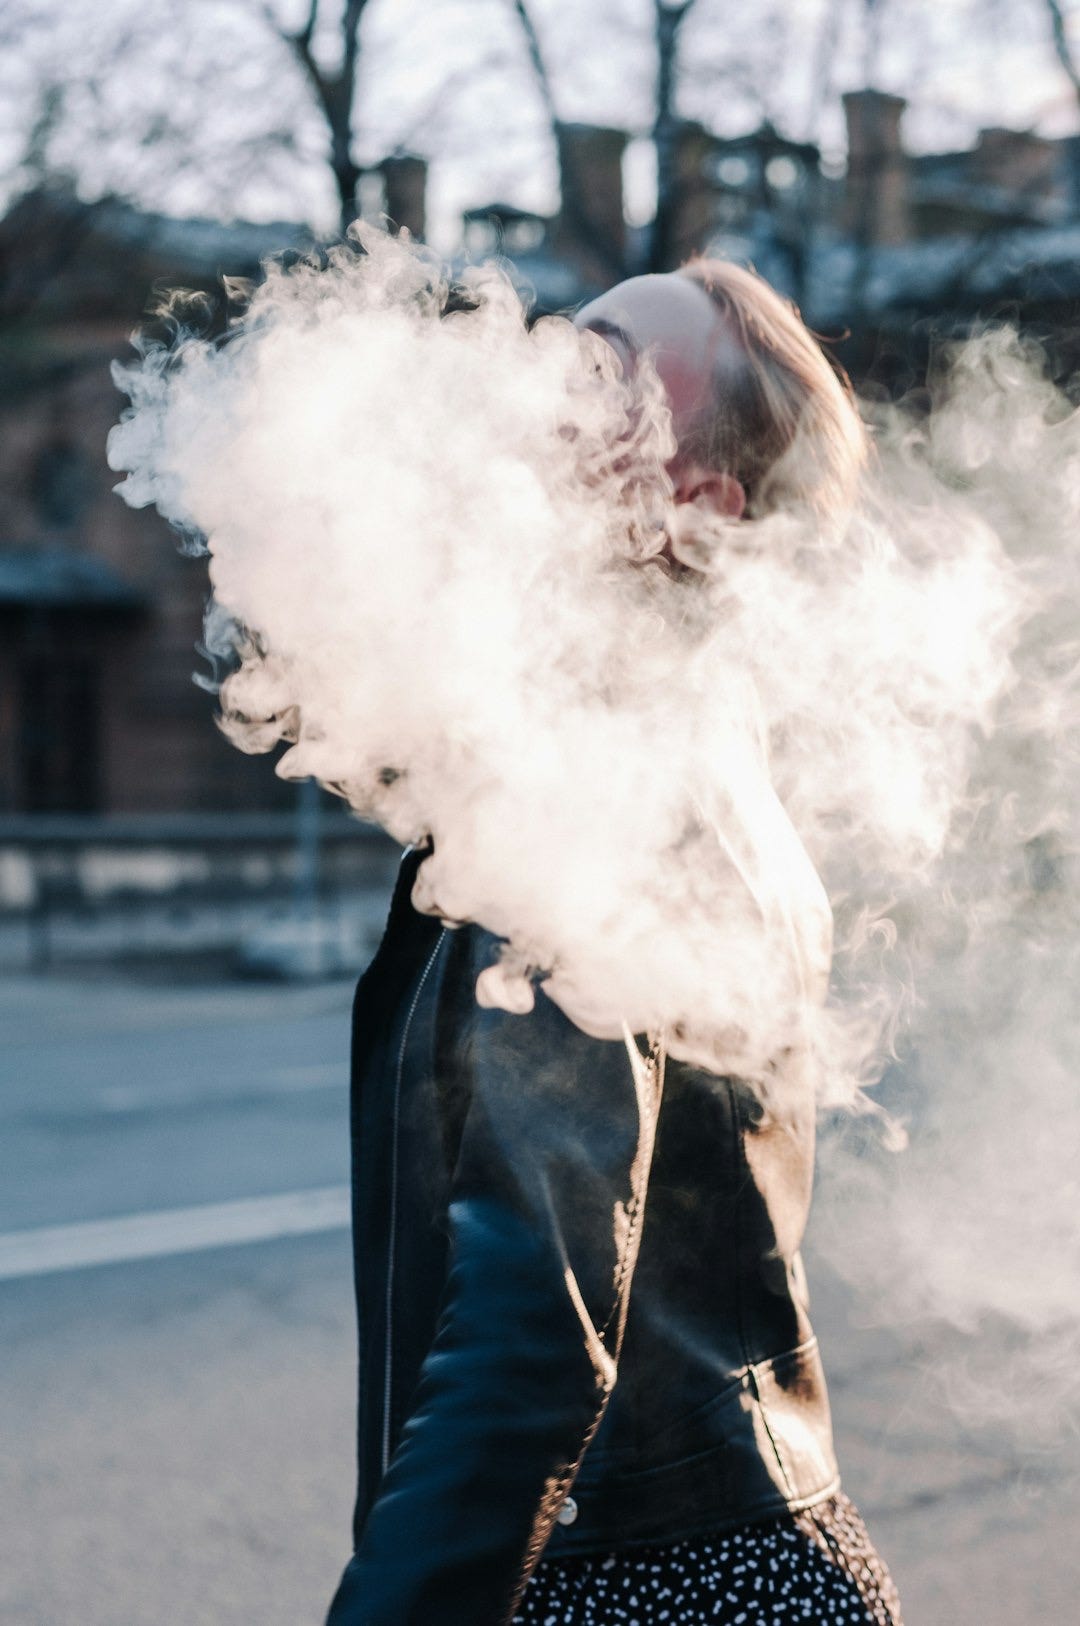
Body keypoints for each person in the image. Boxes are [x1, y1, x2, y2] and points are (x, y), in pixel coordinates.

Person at [324, 262, 903, 1626]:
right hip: (714, 1551)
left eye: (602, 371)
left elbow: (538, 1326)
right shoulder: (677, 749)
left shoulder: (603, 782)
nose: (537, 384)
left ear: (700, 511)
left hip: (661, 1580)